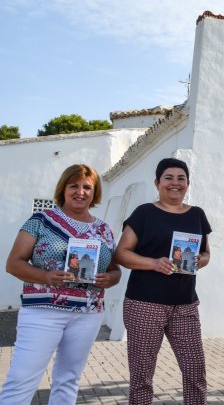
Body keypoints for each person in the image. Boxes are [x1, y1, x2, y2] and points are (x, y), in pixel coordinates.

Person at [0, 164, 121, 405]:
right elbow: (13, 264)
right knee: (22, 379)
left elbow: (114, 269)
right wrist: (45, 277)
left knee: (68, 379)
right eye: (74, 185)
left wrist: (111, 279)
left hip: (88, 313)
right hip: (43, 311)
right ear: (63, 188)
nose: (80, 192)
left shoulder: (103, 229)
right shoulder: (40, 221)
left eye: (87, 187)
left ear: (94, 192)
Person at [115, 158, 212, 405]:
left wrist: (200, 260)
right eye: (168, 178)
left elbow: (206, 253)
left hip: (185, 305)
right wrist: (154, 263)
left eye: (181, 178)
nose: (175, 183)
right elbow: (122, 253)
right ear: (157, 183)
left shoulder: (197, 215)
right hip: (144, 304)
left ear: (188, 184)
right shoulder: (144, 213)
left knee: (195, 373)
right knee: (142, 377)